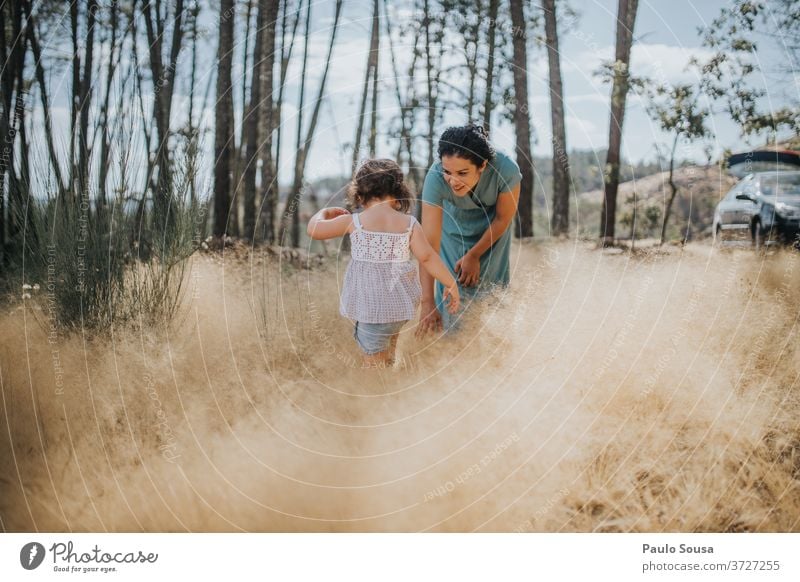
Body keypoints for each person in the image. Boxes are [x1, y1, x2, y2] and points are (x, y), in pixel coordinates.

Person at [307, 159, 460, 367]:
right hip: (399, 307)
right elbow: (427, 257)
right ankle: (389, 385)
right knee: (387, 355)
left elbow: (314, 230)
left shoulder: (354, 221)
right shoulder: (409, 224)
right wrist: (450, 283)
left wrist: (324, 213)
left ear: (359, 197)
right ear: (398, 196)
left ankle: (376, 395)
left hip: (372, 309)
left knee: (372, 365)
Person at [416, 124, 522, 335]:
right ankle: (453, 348)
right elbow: (427, 247)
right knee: (453, 285)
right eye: (448, 172)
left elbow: (503, 218)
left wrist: (474, 255)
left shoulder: (506, 170)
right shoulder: (435, 177)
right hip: (453, 228)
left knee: (490, 289)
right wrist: (427, 303)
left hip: (493, 229)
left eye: (463, 173)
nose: (453, 181)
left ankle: (495, 349)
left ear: (482, 165)